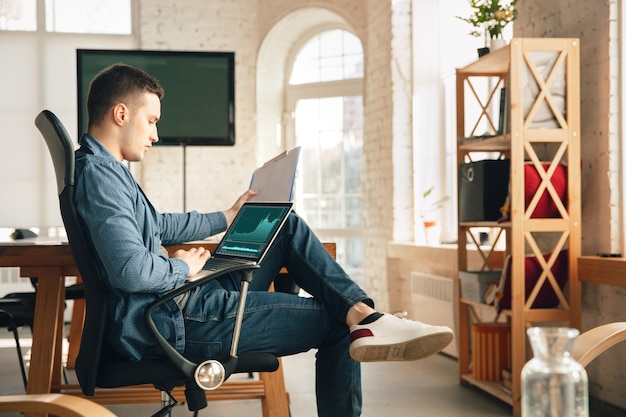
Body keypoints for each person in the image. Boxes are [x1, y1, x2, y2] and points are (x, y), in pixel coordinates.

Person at [74, 63, 453, 417]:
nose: (156, 134)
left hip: (179, 304)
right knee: (341, 325)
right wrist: (182, 267)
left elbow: (156, 223)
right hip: (178, 320)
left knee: (280, 223)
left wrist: (227, 217)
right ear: (121, 114)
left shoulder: (106, 170)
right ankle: (364, 320)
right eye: (151, 121)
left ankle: (366, 315)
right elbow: (131, 272)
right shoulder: (101, 178)